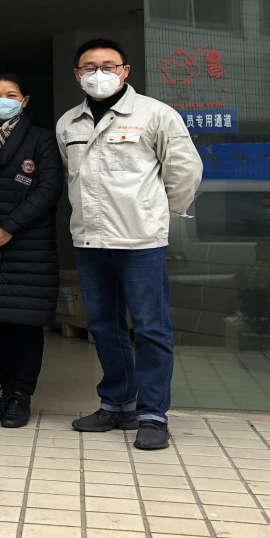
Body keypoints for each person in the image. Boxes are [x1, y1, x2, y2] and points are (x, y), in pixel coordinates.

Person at [56, 38, 202, 451]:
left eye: (108, 66)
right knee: (104, 325)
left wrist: (157, 214)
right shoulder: (68, 123)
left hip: (140, 241)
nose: (98, 74)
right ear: (77, 74)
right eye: (89, 67)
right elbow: (73, 177)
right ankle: (118, 404)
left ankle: (153, 415)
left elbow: (185, 171)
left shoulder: (155, 114)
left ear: (125, 71)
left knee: (150, 327)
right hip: (89, 239)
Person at [0, 73, 64, 430]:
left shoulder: (42, 139)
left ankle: (21, 395)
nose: (2, 99)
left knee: (26, 322)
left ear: (25, 101)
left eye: (11, 94)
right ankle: (6, 392)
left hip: (26, 245)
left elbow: (48, 189)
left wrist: (8, 229)